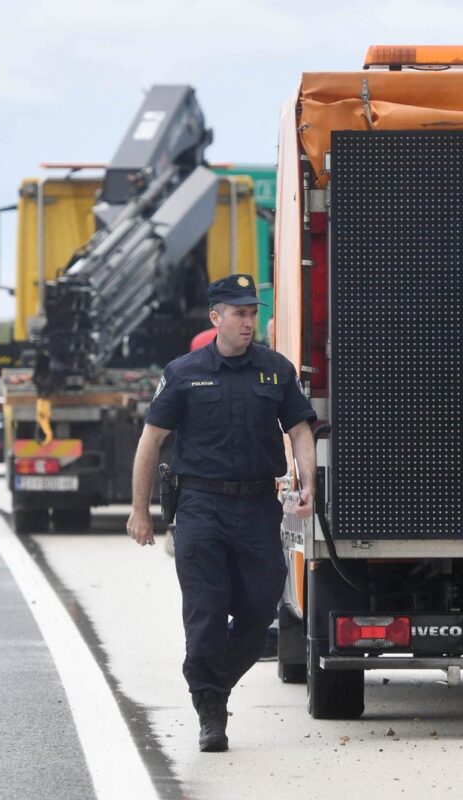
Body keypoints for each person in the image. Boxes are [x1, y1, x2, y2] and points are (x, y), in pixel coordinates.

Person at [126, 273, 316, 753]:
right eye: (239, 313)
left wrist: (309, 481)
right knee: (206, 613)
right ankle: (210, 707)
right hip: (200, 508)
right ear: (216, 318)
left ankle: (210, 681)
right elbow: (151, 440)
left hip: (256, 506)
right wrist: (140, 511)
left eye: (253, 312)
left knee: (258, 612)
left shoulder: (276, 370)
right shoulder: (185, 372)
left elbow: (299, 429)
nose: (249, 322)